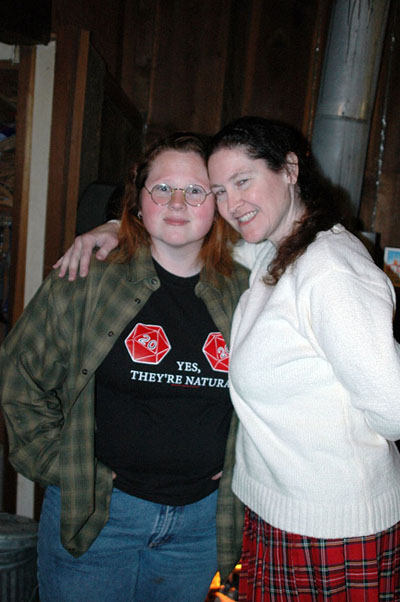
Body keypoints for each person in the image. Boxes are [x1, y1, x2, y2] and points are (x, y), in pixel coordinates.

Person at [64, 116, 400, 600]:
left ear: (289, 169)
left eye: (243, 181)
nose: (232, 204)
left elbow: (392, 408)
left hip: (333, 525)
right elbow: (188, 241)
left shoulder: (330, 270)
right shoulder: (274, 254)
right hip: (277, 515)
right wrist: (119, 225)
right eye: (219, 191)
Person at [0, 132, 250, 602]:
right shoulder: (88, 276)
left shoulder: (247, 291)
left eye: (195, 190)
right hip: (99, 517)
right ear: (138, 200)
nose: (177, 202)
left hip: (199, 527)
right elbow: (19, 379)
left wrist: (245, 460)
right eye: (163, 188)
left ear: (216, 204)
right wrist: (62, 465)